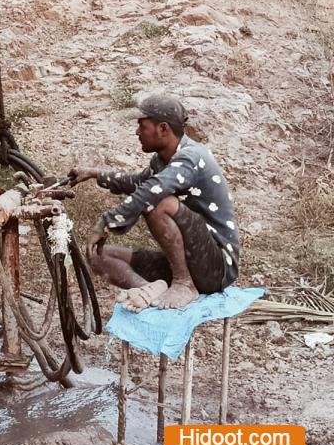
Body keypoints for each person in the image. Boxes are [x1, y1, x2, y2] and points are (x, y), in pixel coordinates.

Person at [69, 93, 239, 312]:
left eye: (142, 125)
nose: (137, 132)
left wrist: (106, 222)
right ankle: (148, 290)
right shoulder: (162, 161)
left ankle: (183, 284)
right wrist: (94, 174)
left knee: (160, 203)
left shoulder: (192, 157)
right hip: (190, 261)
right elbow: (140, 182)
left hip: (216, 269)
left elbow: (151, 191)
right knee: (97, 255)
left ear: (163, 129)